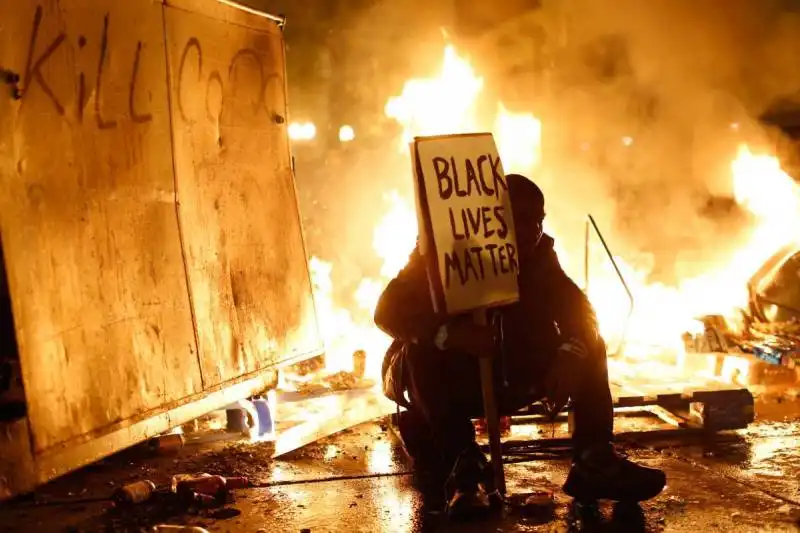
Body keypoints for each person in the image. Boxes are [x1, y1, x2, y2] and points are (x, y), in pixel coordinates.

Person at [375, 174, 666, 518]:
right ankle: (462, 466)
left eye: (538, 220)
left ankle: (594, 460)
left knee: (589, 345)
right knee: (422, 352)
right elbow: (387, 310)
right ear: (493, 218)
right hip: (447, 386)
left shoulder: (539, 256)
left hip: (508, 375)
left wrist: (570, 353)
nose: (532, 230)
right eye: (520, 220)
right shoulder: (441, 251)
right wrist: (451, 335)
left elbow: (581, 309)